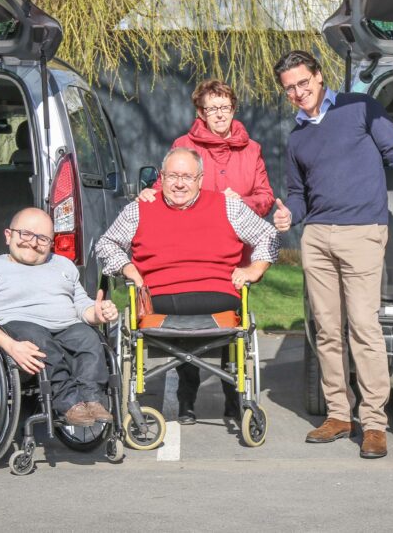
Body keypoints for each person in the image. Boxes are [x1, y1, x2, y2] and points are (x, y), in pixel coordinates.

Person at [271, 50, 393, 459]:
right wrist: (287, 215)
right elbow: (298, 195)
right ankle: (338, 415)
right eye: (289, 88)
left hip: (363, 232)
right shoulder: (297, 136)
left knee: (362, 326)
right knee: (327, 330)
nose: (298, 93)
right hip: (316, 237)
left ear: (319, 75)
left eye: (303, 83)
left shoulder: (359, 108)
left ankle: (373, 423)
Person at [96, 147, 279, 424]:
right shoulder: (139, 208)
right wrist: (128, 267)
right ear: (161, 177)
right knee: (177, 314)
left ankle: (228, 397)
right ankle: (186, 397)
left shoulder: (226, 205)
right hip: (161, 297)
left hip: (217, 294)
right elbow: (106, 244)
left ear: (200, 179)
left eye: (187, 177)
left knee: (218, 320)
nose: (179, 183)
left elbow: (268, 235)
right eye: (172, 176)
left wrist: (255, 268)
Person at [0, 207, 119, 427]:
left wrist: (97, 313)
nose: (33, 242)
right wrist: (10, 345)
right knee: (39, 339)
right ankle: (68, 404)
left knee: (88, 337)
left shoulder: (63, 265)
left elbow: (81, 305)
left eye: (42, 238)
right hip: (18, 327)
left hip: (66, 326)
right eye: (25, 234)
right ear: (8, 235)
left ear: (51, 242)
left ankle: (92, 399)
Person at [139, 79, 273, 217]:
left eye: (225, 107)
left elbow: (265, 198)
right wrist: (150, 194)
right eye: (212, 109)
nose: (220, 114)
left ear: (233, 110)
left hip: (239, 232)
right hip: (194, 229)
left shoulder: (252, 149)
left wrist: (240, 203)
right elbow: (166, 188)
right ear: (201, 113)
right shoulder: (183, 145)